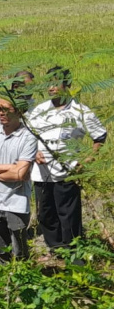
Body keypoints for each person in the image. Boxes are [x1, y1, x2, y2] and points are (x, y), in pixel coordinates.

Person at [27, 66, 107, 260]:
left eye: (56, 83)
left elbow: (100, 136)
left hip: (68, 171)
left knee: (68, 214)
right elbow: (29, 136)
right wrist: (35, 151)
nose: (51, 88)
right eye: (48, 83)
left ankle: (73, 252)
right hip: (42, 172)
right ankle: (55, 249)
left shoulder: (80, 111)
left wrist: (87, 159)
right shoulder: (39, 110)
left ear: (67, 85)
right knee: (45, 214)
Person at [0, 98, 38, 262]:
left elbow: (20, 175)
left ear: (18, 112)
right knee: (1, 250)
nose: (1, 113)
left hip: (17, 201)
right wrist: (10, 167)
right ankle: (4, 281)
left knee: (20, 250)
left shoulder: (28, 137)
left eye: (6, 109)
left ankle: (23, 279)